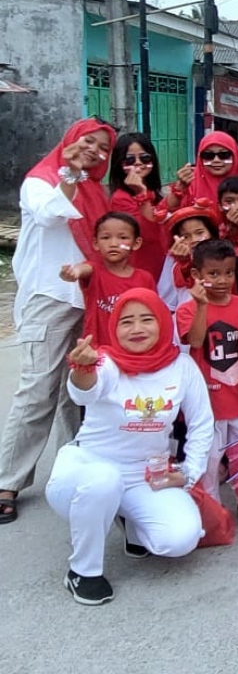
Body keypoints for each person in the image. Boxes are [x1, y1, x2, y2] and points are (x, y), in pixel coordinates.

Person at [45, 289, 213, 605]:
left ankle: (131, 522)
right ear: (114, 327)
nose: (136, 329)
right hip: (85, 471)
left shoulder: (182, 367)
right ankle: (83, 571)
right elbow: (85, 394)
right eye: (126, 321)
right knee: (104, 481)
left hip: (144, 476)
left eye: (147, 319)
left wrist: (189, 472)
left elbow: (202, 424)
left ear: (164, 322)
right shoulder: (106, 362)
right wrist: (82, 371)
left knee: (180, 539)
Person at [0, 117, 116, 524]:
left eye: (103, 147)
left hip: (86, 300)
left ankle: (74, 466)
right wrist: (68, 173)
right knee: (38, 389)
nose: (95, 150)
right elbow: (50, 215)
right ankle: (8, 481)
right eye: (89, 141)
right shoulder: (42, 179)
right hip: (49, 297)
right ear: (71, 140)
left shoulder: (95, 192)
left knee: (78, 389)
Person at [175, 240, 238, 521]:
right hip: (207, 405)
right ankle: (211, 512)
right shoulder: (187, 309)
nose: (222, 280)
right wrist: (201, 305)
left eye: (228, 273)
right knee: (209, 461)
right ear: (197, 276)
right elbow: (196, 340)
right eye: (213, 274)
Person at [58, 212, 156, 346]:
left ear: (136, 243)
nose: (113, 243)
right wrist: (73, 272)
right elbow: (82, 269)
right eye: (106, 237)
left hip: (134, 348)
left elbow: (154, 313)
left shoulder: (145, 279)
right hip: (99, 351)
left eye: (123, 237)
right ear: (96, 243)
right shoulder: (94, 271)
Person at [108, 133, 167, 278]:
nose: (138, 163)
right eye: (129, 160)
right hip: (142, 267)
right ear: (119, 164)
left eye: (145, 157)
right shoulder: (120, 198)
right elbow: (146, 234)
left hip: (161, 263)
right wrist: (141, 194)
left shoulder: (154, 193)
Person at [172, 132, 238, 208]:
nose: (216, 160)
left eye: (224, 154)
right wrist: (179, 189)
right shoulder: (190, 183)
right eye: (208, 155)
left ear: (235, 155)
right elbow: (167, 211)